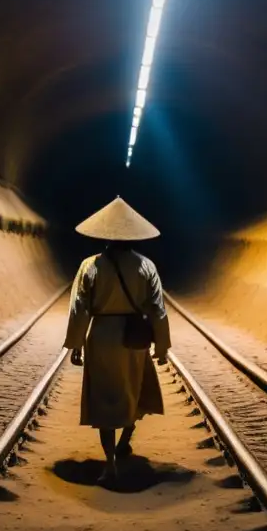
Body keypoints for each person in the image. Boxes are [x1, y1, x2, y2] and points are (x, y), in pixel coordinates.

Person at [63, 196, 171, 485]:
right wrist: (162, 346)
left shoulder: (90, 266)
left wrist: (75, 344)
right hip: (134, 337)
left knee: (105, 398)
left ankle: (109, 464)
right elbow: (158, 309)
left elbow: (79, 308)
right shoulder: (146, 266)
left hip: (101, 337)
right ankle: (126, 440)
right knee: (132, 390)